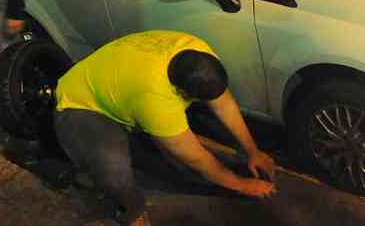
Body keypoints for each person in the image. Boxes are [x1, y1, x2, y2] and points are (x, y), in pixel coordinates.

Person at [53, 31, 277, 226]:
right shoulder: (155, 99)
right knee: (114, 171)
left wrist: (252, 151)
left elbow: (224, 103)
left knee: (170, 144)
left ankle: (149, 136)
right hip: (80, 106)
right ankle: (130, 207)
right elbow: (196, 158)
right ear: (182, 93)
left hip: (116, 82)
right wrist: (241, 185)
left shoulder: (197, 51)